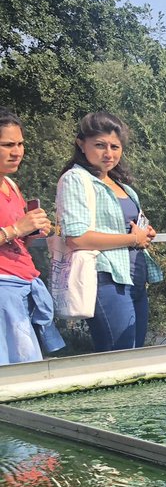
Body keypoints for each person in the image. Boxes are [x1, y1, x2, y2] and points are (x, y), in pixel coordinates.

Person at [56, 111, 161, 352]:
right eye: (100, 145)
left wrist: (144, 233)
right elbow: (77, 237)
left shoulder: (123, 186)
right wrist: (133, 238)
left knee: (135, 356)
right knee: (119, 357)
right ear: (81, 145)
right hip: (106, 278)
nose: (109, 153)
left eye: (115, 146)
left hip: (135, 278)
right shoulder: (76, 179)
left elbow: (131, 229)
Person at [0, 108, 65, 364]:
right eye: (7, 145)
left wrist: (32, 232)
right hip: (4, 288)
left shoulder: (11, 184)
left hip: (23, 284)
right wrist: (17, 229)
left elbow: (13, 239)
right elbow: (11, 231)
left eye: (20, 144)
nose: (17, 152)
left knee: (25, 369)